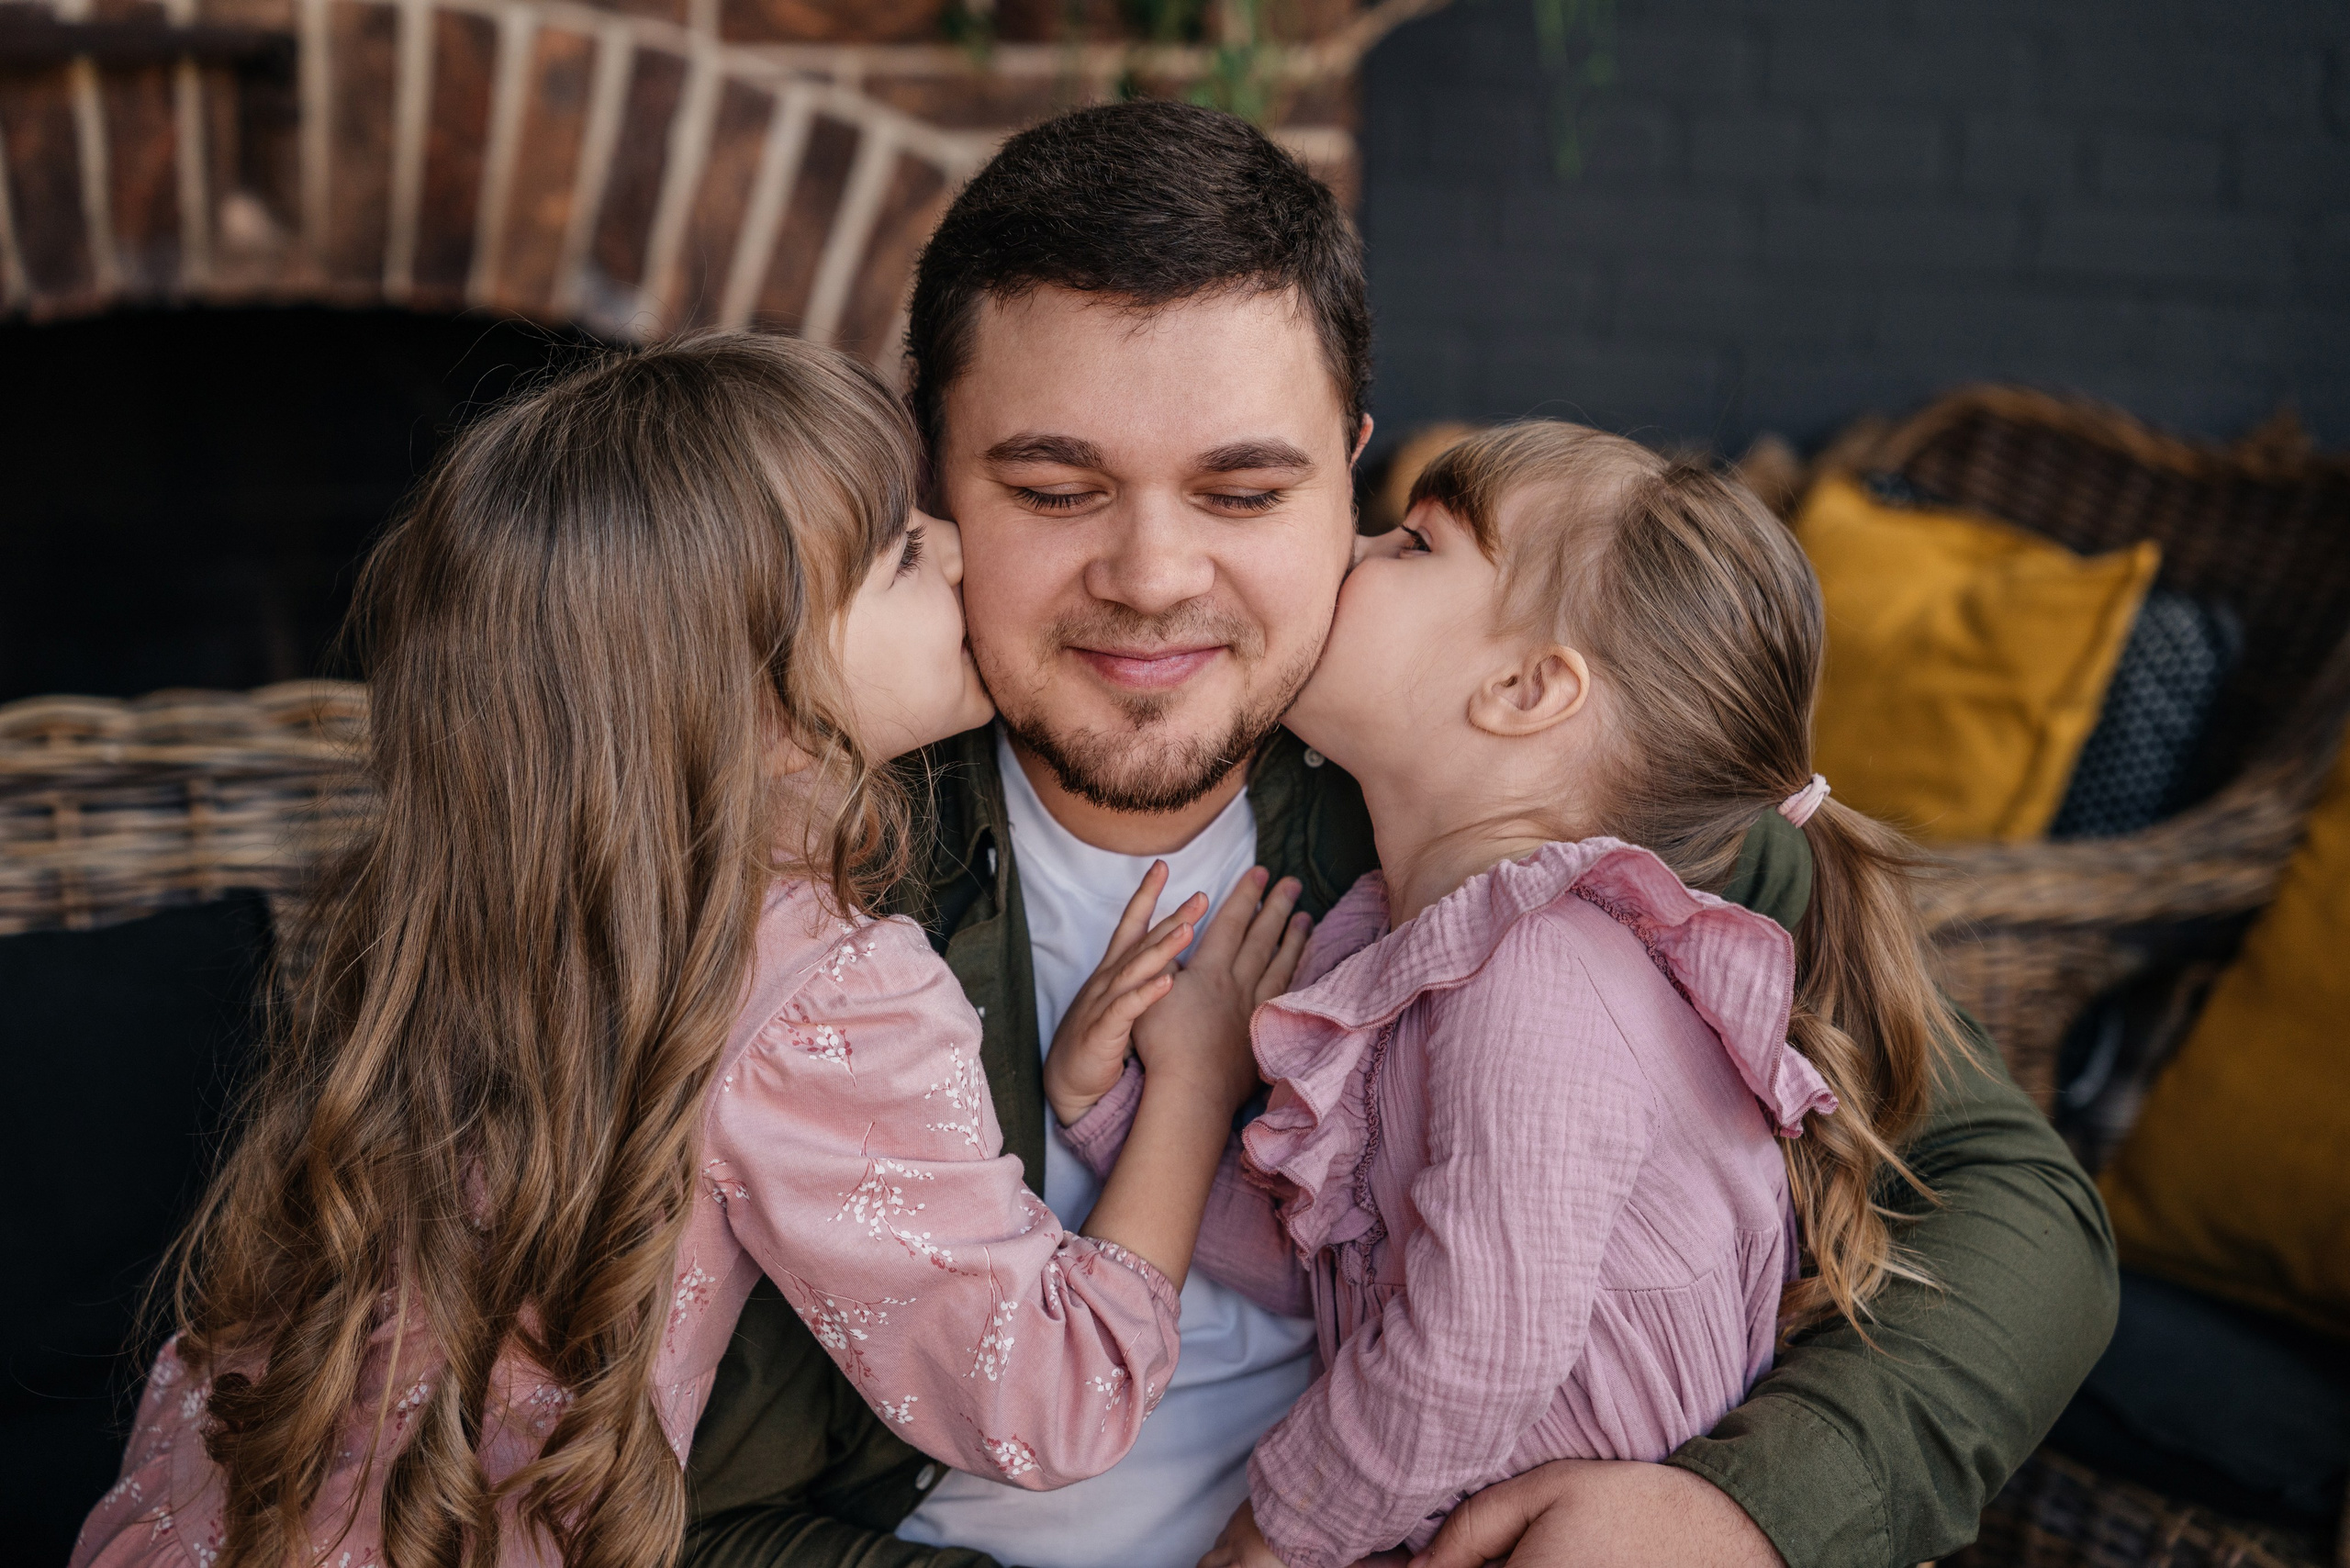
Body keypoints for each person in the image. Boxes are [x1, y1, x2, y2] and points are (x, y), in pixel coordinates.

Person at [683, 102, 2120, 1568]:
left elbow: (2017, 1209)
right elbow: (642, 1491)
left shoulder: (1542, 808)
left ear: (1349, 469)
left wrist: (1744, 1515)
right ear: (926, 479)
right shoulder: (779, 845)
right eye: (1055, 491)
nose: (1153, 577)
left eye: (1246, 491)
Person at [71, 333, 1307, 1568]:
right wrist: (1189, 1089)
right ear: (760, 703)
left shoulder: (499, 918)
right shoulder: (824, 986)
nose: (958, 551)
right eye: (898, 551)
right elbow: (1049, 1398)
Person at [1040, 420, 1957, 1568]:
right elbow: (1339, 1256)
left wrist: (1273, 1536)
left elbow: (1479, 1336)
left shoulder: (1542, 974)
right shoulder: (1409, 941)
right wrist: (1123, 1113)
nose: (1351, 547)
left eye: (1413, 542)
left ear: (1524, 689)